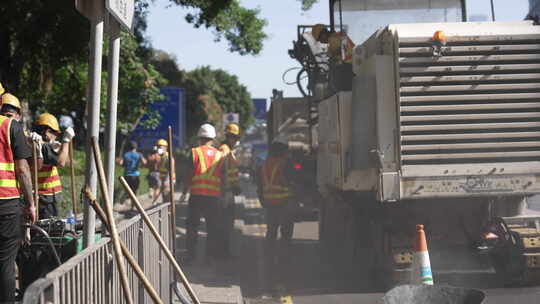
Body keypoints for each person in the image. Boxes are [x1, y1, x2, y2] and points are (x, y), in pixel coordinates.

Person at [0, 112, 36, 302]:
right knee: (5, 263)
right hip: (6, 204)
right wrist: (30, 204)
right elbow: (22, 170)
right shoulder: (10, 126)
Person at [184, 123, 225, 262]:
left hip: (196, 195)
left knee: (192, 226)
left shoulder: (194, 152)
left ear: (199, 137)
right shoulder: (220, 155)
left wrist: (184, 192)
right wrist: (223, 195)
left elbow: (188, 175)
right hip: (213, 197)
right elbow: (223, 178)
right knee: (212, 227)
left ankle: (191, 256)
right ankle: (210, 257)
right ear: (212, 138)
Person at [31, 113, 75, 219]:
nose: (55, 136)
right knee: (48, 227)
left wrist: (60, 148)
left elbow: (68, 160)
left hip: (49, 196)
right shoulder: (43, 146)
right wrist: (66, 141)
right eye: (54, 133)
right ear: (46, 131)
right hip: (45, 196)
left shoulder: (45, 145)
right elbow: (61, 162)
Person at [260, 139, 297, 262]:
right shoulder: (284, 164)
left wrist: (263, 200)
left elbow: (260, 186)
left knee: (271, 231)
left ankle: (269, 256)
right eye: (286, 151)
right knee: (286, 232)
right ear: (281, 152)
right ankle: (285, 258)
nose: (288, 153)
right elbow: (291, 180)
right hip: (284, 203)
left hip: (270, 203)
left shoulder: (264, 165)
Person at [218, 123, 242, 258]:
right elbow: (221, 172)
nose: (236, 140)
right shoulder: (224, 150)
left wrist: (235, 185)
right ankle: (222, 252)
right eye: (234, 137)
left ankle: (224, 251)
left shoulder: (228, 150)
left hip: (228, 191)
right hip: (224, 193)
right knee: (225, 224)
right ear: (229, 137)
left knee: (227, 224)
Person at [117, 141, 146, 209]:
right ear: (136, 147)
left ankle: (125, 195)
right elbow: (144, 162)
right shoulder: (139, 154)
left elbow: (121, 164)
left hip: (127, 175)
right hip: (135, 175)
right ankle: (132, 207)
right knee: (134, 192)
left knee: (127, 189)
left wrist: (119, 161)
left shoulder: (126, 154)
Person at [157, 138, 175, 202]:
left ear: (165, 147)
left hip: (168, 180)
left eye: (160, 147)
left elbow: (171, 170)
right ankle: (166, 210)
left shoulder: (167, 157)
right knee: (164, 197)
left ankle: (169, 211)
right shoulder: (162, 156)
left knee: (167, 196)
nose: (158, 149)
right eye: (158, 147)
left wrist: (167, 181)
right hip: (163, 179)